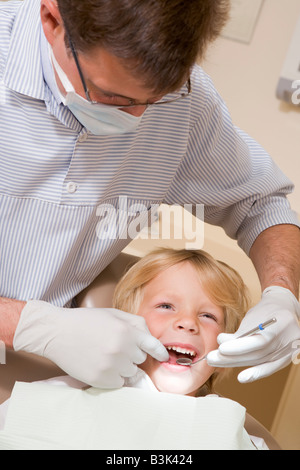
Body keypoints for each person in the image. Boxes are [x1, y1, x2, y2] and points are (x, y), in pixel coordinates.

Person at [0, 0, 299, 389]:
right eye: (112, 98)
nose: (136, 119)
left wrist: (283, 292)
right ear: (52, 19)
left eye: (156, 100)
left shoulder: (186, 102)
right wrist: (30, 325)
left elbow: (261, 203)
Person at [0, 249, 268, 449]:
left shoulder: (233, 433)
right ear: (125, 323)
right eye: (166, 306)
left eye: (208, 316)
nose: (188, 323)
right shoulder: (59, 399)